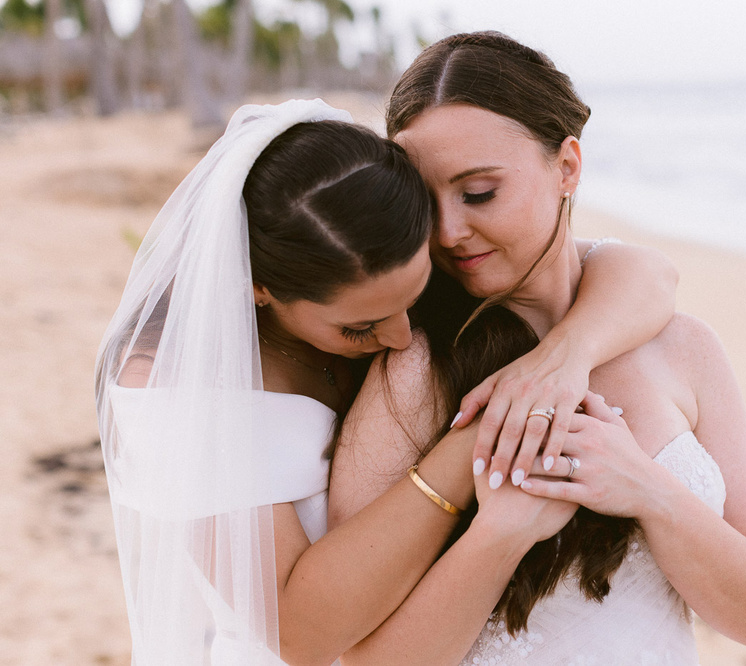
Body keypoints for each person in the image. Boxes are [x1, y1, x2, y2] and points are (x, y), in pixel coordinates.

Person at [95, 99, 677, 664]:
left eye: (416, 295)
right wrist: (477, 437)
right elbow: (299, 636)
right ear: (258, 289)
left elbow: (644, 270)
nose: (400, 335)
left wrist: (561, 357)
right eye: (360, 327)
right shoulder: (174, 389)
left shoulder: (379, 268)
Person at [329, 32, 746, 665]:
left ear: (567, 166)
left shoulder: (683, 347)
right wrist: (496, 535)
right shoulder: (415, 369)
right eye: (423, 201)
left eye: (478, 193)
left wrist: (647, 491)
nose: (447, 230)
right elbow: (354, 657)